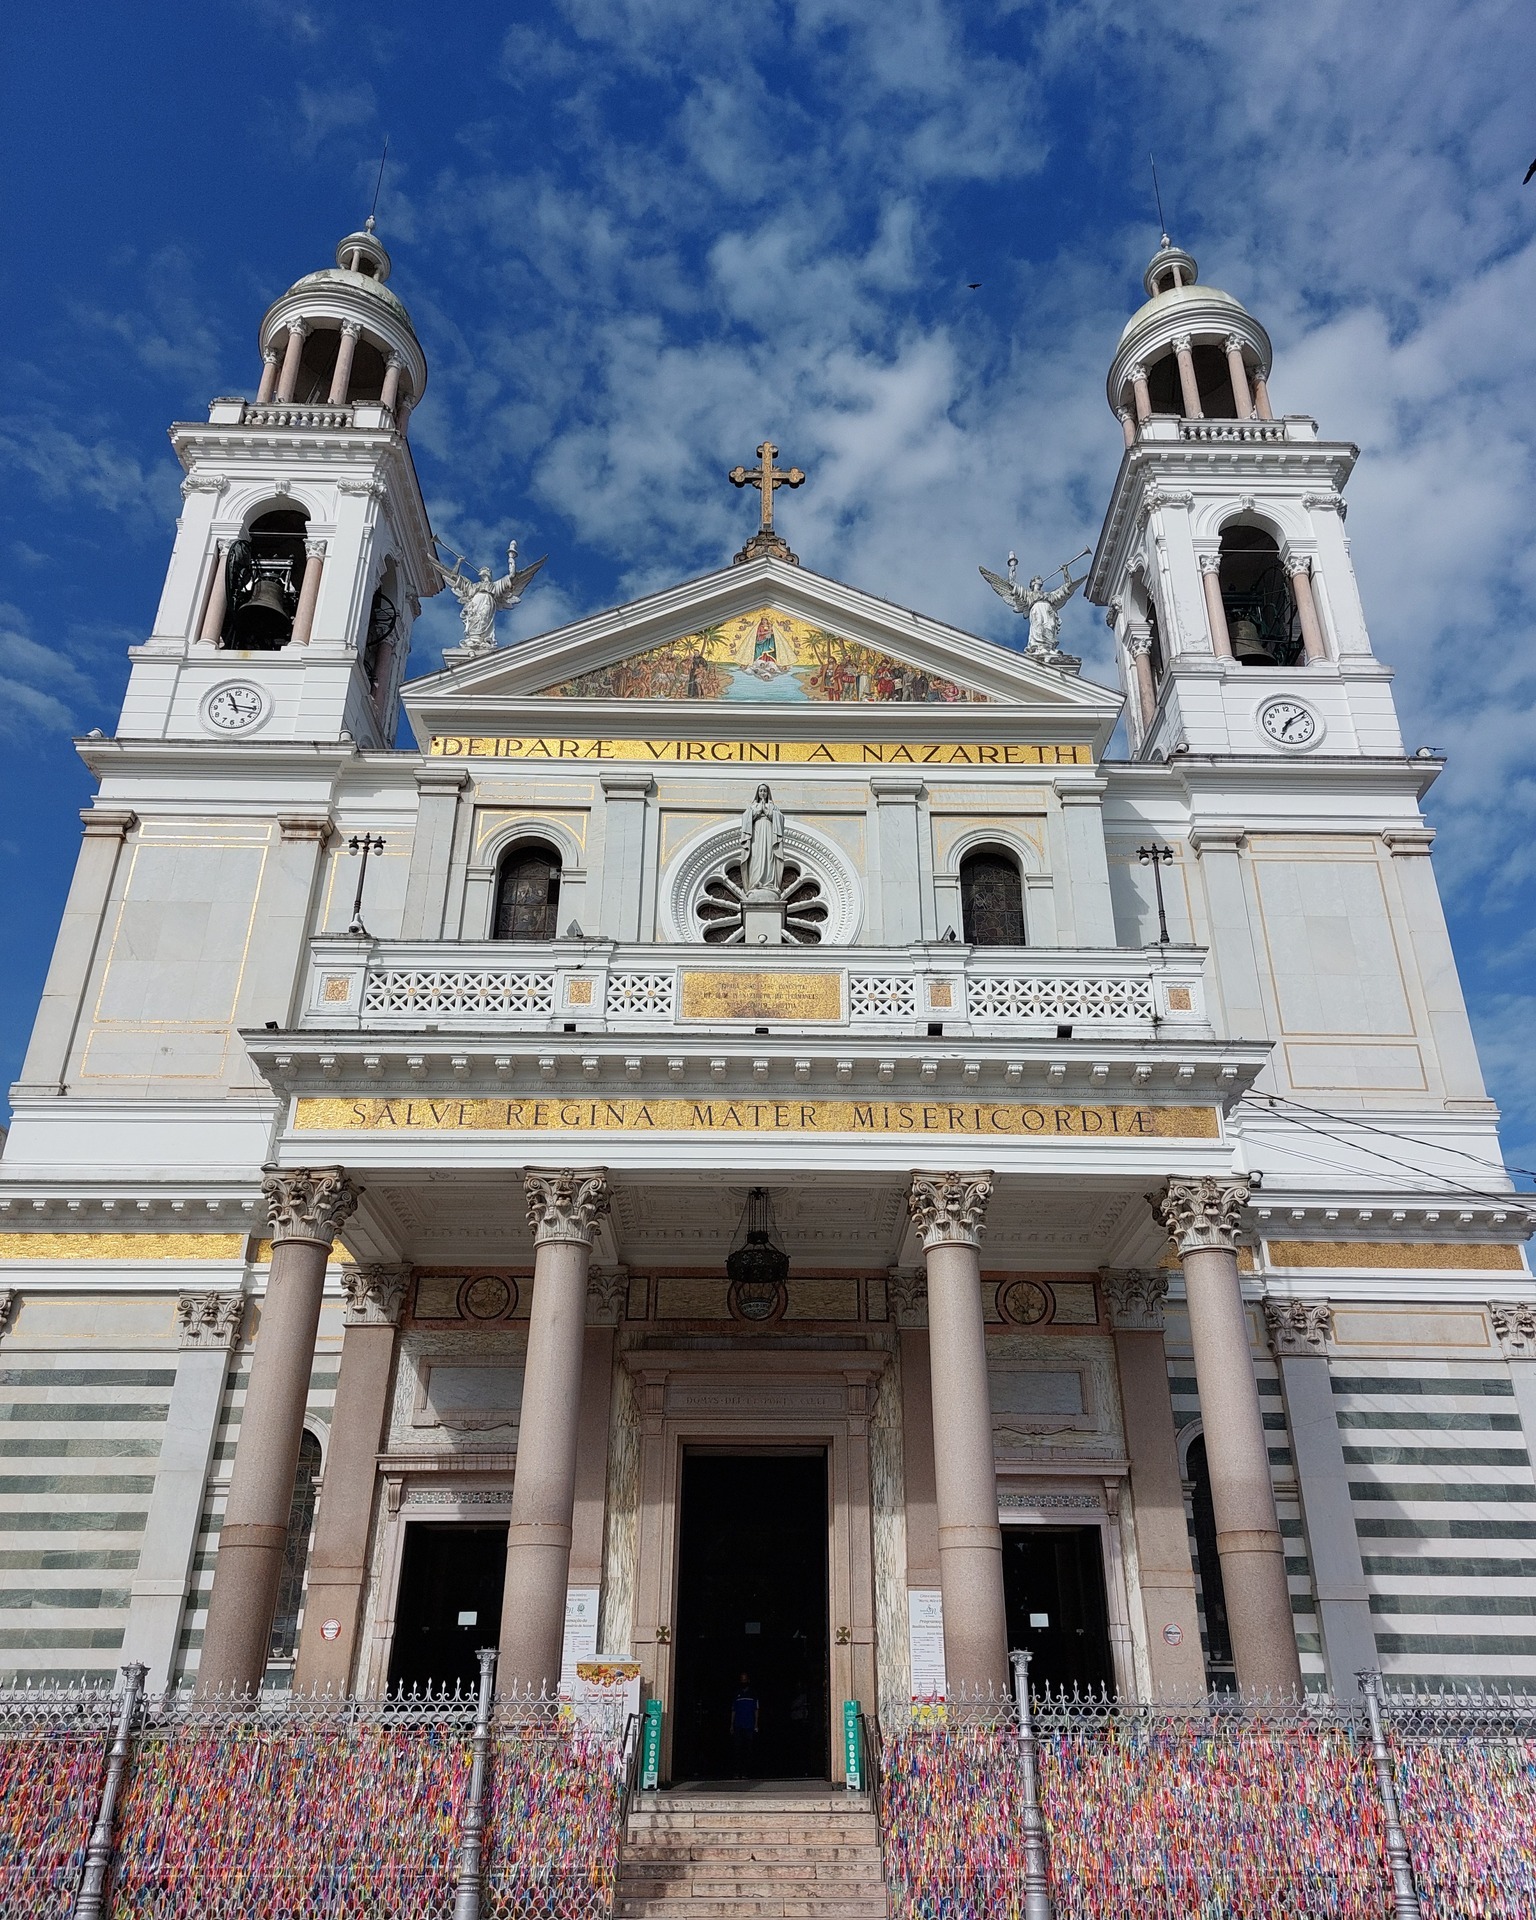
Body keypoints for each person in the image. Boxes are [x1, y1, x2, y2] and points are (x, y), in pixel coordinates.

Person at [729, 1674, 759, 1776]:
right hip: (738, 1725)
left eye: (745, 1680)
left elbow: (756, 1710)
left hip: (749, 1725)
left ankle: (747, 1772)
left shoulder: (753, 1694)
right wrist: (731, 1725)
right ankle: (737, 1771)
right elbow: (733, 1710)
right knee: (737, 1749)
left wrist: (756, 1724)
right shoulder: (737, 1694)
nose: (743, 1682)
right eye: (742, 1680)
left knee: (748, 1749)